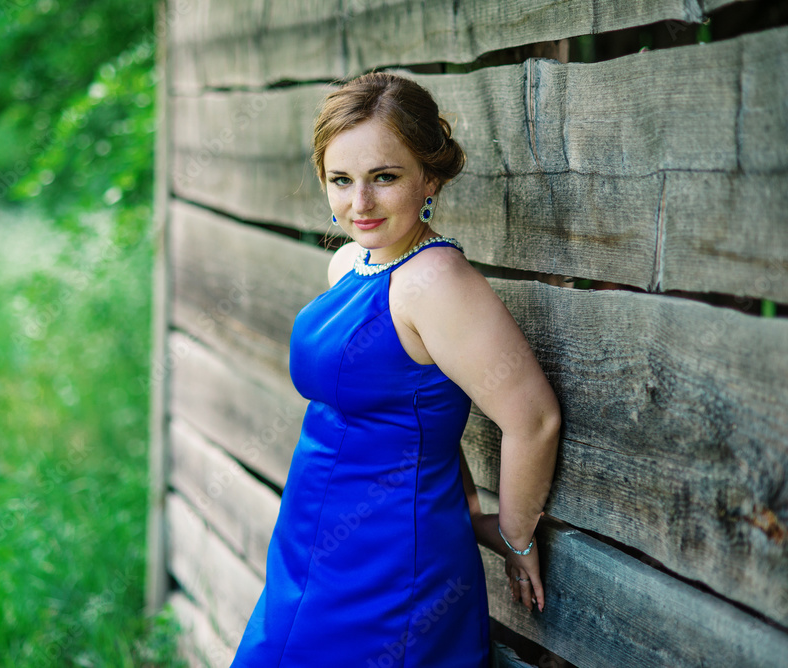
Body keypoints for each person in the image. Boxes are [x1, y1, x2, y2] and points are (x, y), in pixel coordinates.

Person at [230, 71, 561, 667]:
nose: (360, 204)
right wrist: (470, 508)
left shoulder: (436, 281)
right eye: (341, 180)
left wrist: (515, 537)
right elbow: (414, 410)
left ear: (429, 178)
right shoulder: (351, 264)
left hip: (389, 558)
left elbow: (533, 419)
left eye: (384, 177)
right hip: (311, 533)